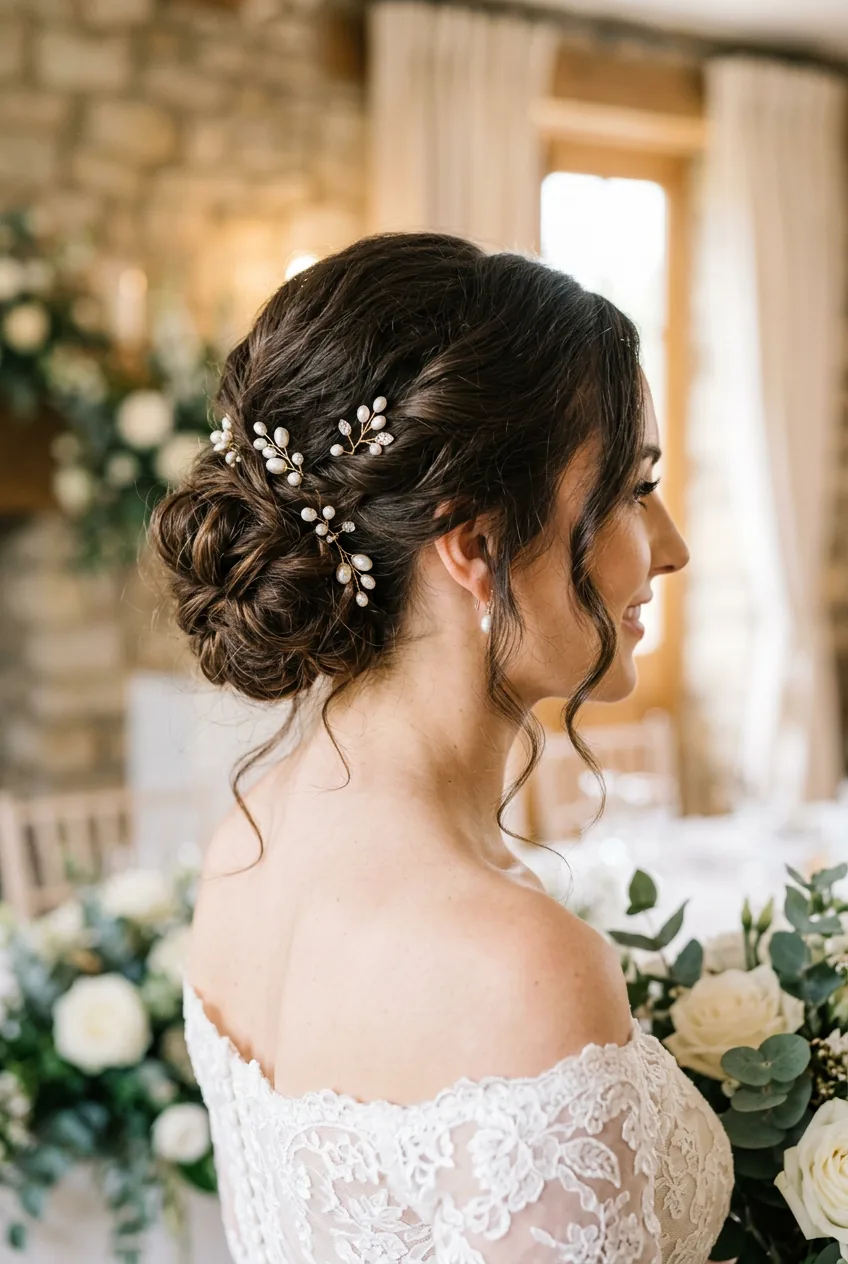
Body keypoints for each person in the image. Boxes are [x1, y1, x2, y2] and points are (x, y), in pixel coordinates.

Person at [152, 233, 732, 1262]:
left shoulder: (248, 837)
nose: (670, 546)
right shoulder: (517, 966)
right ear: (473, 545)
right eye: (634, 491)